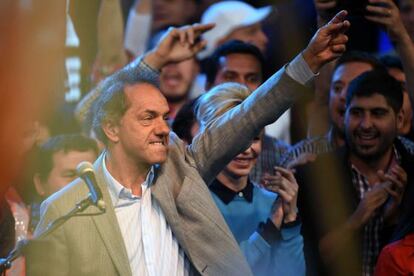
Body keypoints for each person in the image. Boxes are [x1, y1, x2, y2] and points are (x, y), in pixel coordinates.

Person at [28, 11, 350, 275]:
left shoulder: (183, 169)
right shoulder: (66, 209)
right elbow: (88, 111)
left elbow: (249, 116)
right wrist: (155, 58)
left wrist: (305, 63)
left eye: (165, 118)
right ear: (111, 129)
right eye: (147, 118)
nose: (161, 129)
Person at [297, 69, 414, 276]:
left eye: (378, 113)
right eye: (357, 113)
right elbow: (302, 259)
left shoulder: (411, 174)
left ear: (400, 118)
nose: (366, 125)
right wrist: (357, 218)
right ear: (345, 116)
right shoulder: (316, 177)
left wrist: (393, 221)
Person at [196, 83, 305, 275]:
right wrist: (268, 231)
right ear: (209, 139)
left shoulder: (272, 203)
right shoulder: (196, 203)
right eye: (236, 139)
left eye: (254, 138)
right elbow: (220, 272)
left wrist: (289, 218)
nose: (246, 150)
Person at [204, 40, 291, 182]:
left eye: (251, 78)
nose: (241, 86)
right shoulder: (188, 146)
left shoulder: (282, 155)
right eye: (230, 77)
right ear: (208, 86)